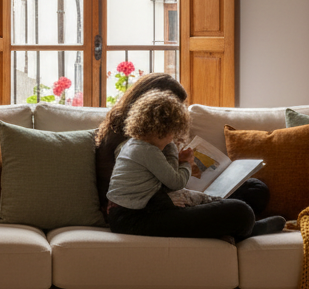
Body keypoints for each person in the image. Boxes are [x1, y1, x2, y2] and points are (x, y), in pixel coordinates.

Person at [103, 88, 285, 240]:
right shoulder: (147, 150)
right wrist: (186, 162)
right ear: (164, 130)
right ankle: (246, 229)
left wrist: (173, 151)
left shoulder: (136, 144)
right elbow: (176, 183)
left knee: (255, 189)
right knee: (241, 211)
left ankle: (220, 227)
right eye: (172, 133)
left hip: (153, 206)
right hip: (136, 217)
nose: (172, 138)